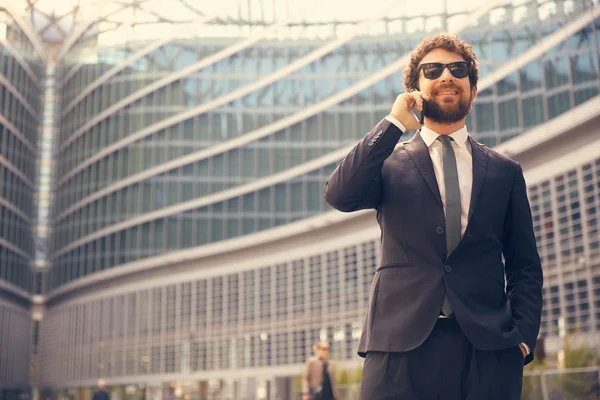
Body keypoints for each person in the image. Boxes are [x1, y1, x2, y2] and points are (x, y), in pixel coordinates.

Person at [324, 33, 543, 400]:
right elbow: (339, 194)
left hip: (488, 353)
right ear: (415, 89)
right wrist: (394, 122)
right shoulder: (388, 165)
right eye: (433, 69)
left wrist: (521, 338)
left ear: (472, 90)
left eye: (459, 70)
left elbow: (524, 265)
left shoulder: (506, 171)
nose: (447, 76)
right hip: (399, 350)